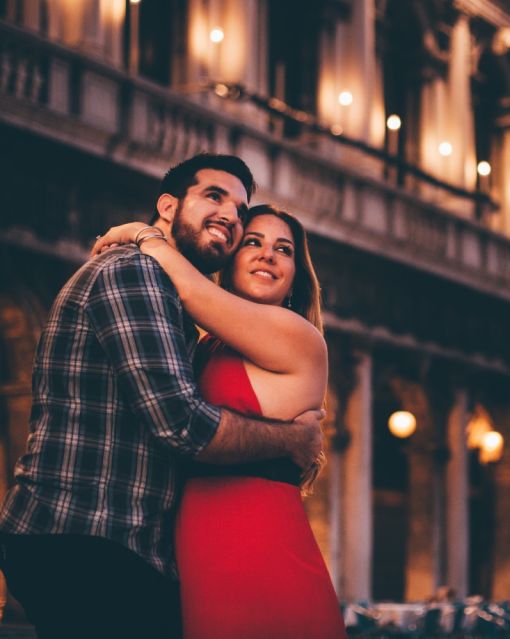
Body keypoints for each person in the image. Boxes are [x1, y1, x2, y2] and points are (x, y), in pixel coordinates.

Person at [0, 155, 325, 639]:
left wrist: (146, 234)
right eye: (215, 197)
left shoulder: (245, 319)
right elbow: (181, 424)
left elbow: (194, 297)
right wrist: (292, 439)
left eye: (240, 212)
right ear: (168, 205)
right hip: (91, 534)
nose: (231, 219)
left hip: (176, 540)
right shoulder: (141, 275)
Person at [92, 204, 345, 638]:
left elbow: (193, 293)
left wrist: (143, 233)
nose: (268, 254)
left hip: (258, 544)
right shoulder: (207, 344)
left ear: (295, 278)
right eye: (253, 242)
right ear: (229, 263)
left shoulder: (297, 334)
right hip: (197, 544)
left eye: (283, 250)